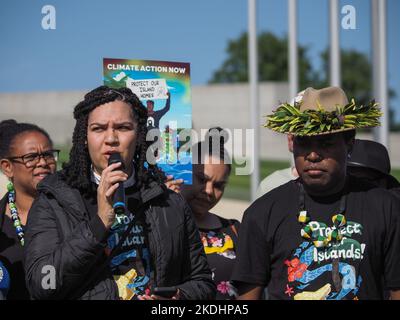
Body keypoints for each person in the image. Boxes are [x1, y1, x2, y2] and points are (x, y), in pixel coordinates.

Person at [24, 86, 215, 300]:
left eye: (123, 128)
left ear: (140, 135)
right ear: (84, 137)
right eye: (98, 128)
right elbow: (41, 284)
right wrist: (98, 225)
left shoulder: (169, 201)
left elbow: (203, 282)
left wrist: (179, 297)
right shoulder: (53, 199)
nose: (111, 138)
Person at [231, 86, 400, 300]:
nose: (312, 155)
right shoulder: (261, 213)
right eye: (303, 142)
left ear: (349, 143)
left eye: (325, 143)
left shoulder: (386, 208)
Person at [0, 120, 58, 299]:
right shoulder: (2, 226)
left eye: (48, 155)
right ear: (7, 167)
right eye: (31, 157)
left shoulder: (73, 213)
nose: (42, 163)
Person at [181, 128, 240, 300]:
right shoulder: (160, 226)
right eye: (202, 179)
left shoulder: (234, 229)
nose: (209, 191)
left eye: (219, 185)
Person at [256, 134, 298, 198]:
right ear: (290, 140)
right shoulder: (270, 186)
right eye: (305, 142)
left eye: (319, 142)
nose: (313, 156)